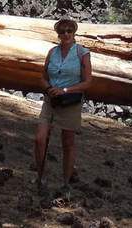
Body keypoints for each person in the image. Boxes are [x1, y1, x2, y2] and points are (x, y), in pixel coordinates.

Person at [33, 17, 92, 193]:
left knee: (68, 142)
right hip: (51, 101)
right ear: (58, 34)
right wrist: (49, 88)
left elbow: (88, 82)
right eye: (62, 31)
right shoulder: (52, 52)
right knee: (40, 138)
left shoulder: (82, 53)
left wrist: (66, 90)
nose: (65, 34)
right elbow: (42, 76)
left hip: (70, 102)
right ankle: (40, 177)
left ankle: (66, 182)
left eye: (69, 31)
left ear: (74, 32)